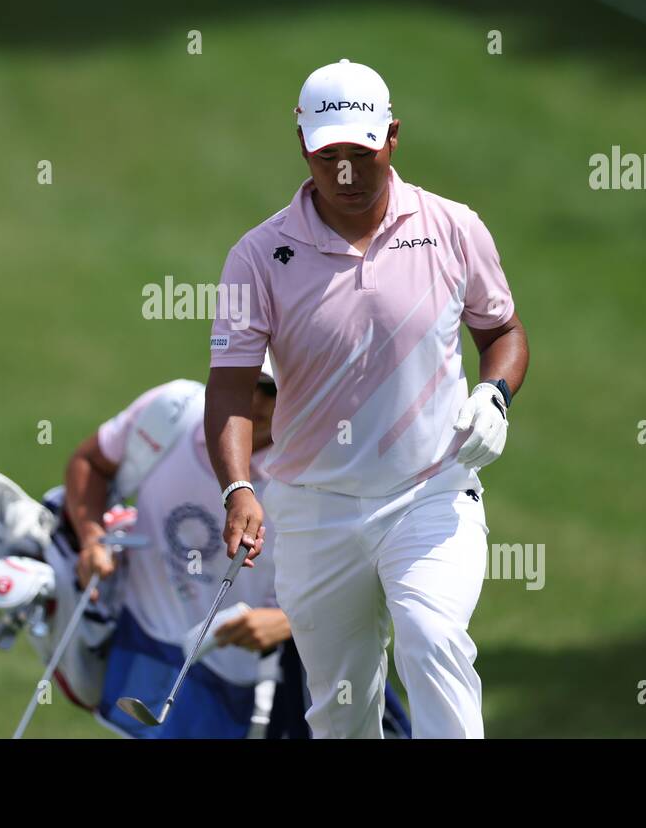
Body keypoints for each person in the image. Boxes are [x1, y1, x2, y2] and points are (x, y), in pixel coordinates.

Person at [205, 58, 529, 738]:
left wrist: (494, 395)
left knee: (432, 635)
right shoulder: (256, 258)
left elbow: (501, 331)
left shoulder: (453, 227)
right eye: (330, 158)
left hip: (430, 490)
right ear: (302, 146)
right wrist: (238, 488)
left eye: (361, 153)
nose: (346, 175)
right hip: (314, 508)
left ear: (393, 137)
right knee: (342, 714)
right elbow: (232, 386)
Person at [63, 360, 411, 738]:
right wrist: (92, 537)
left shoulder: (330, 476)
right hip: (143, 632)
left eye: (275, 391)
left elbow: (370, 580)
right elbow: (91, 463)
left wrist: (286, 623)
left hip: (240, 671)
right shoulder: (171, 411)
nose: (258, 402)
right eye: (251, 383)